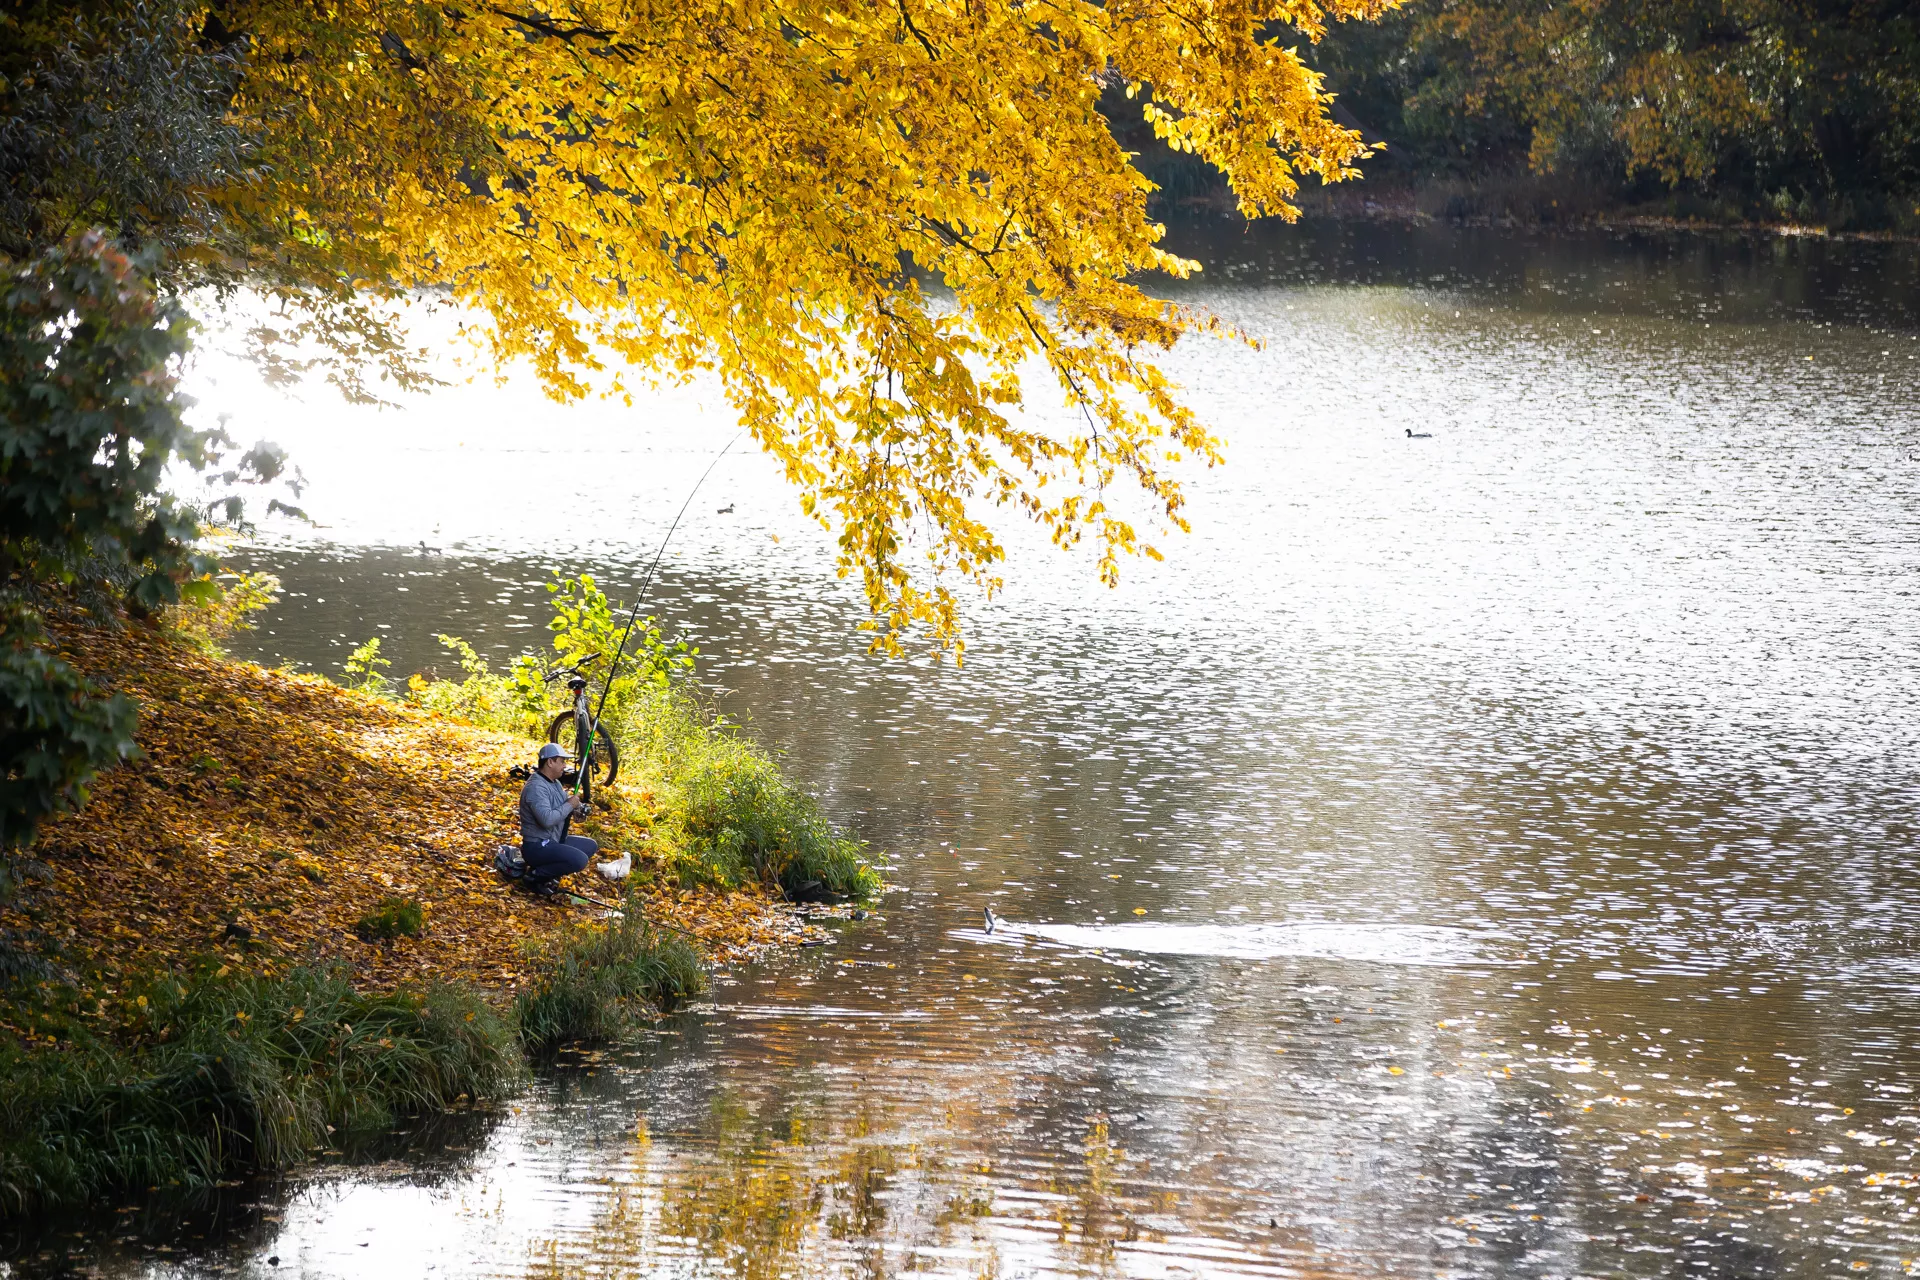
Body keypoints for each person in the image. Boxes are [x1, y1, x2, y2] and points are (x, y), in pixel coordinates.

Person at [519, 743, 598, 895]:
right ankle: (535, 876)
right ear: (550, 762)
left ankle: (549, 874)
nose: (564, 765)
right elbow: (547, 820)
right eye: (561, 761)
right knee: (579, 860)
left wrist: (577, 810)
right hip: (537, 846)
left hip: (553, 840)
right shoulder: (536, 788)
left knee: (590, 846)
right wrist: (569, 805)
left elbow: (562, 808)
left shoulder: (554, 783)